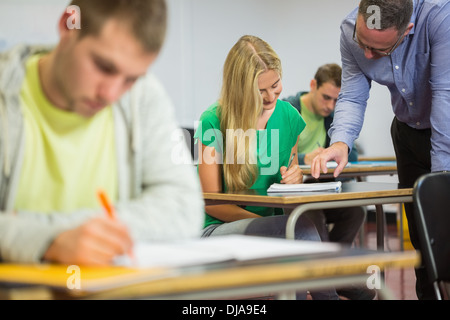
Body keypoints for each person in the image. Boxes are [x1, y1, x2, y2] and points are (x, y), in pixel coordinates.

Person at [0, 0, 204, 266]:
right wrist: (50, 241)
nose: (111, 94)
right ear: (68, 25)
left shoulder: (144, 97)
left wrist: (42, 231)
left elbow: (183, 209)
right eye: (104, 67)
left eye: (131, 79)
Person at [310, 0, 450, 300]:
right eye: (363, 44)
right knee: (424, 238)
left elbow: (445, 95)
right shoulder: (351, 29)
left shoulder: (440, 17)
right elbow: (352, 95)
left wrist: (441, 179)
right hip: (408, 133)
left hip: (447, 129)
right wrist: (340, 142)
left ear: (407, 30)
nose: (367, 55)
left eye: (379, 50)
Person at [194, 35, 339, 300]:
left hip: (275, 225)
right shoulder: (212, 120)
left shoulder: (289, 117)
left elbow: (289, 185)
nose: (271, 95)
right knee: (299, 230)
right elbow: (212, 203)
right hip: (216, 229)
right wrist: (272, 228)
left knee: (298, 231)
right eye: (261, 90)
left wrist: (295, 180)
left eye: (275, 85)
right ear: (240, 88)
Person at [284, 64, 372, 300]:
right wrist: (305, 158)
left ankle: (330, 274)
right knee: (314, 217)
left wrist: (335, 150)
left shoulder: (333, 115)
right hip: (296, 192)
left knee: (355, 212)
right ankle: (331, 282)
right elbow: (279, 157)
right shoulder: (288, 110)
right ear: (313, 86)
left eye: (336, 100)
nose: (330, 105)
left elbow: (351, 156)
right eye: (326, 97)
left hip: (322, 188)